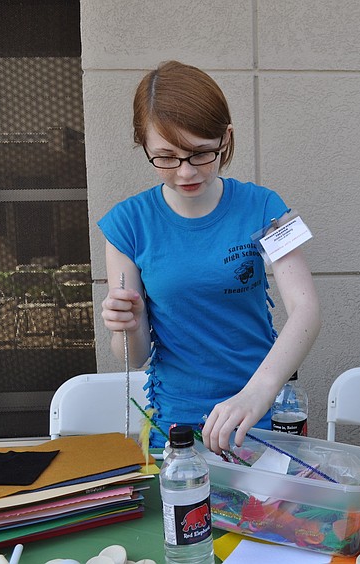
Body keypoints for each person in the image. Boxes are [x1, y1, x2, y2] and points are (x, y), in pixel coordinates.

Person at [98, 61, 321, 454]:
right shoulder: (127, 224)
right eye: (166, 157)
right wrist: (125, 327)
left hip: (258, 419)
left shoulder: (265, 207)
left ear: (225, 138)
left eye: (201, 153)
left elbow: (306, 310)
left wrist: (257, 394)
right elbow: (135, 358)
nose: (185, 172)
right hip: (175, 429)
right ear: (143, 146)